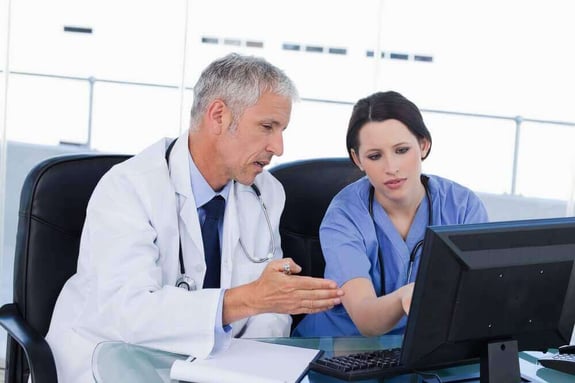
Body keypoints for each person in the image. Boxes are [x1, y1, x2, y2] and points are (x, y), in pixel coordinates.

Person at [45, 53, 344, 383]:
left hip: (219, 366)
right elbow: (129, 314)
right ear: (218, 116)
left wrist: (254, 362)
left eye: (282, 129)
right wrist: (248, 299)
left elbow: (268, 311)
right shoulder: (130, 187)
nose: (279, 146)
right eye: (267, 127)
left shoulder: (266, 193)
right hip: (113, 360)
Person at [293, 91, 488, 337]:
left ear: (423, 145)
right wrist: (404, 296)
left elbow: (475, 300)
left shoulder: (462, 207)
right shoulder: (344, 215)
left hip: (423, 349)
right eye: (375, 156)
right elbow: (366, 320)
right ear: (358, 159)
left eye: (402, 150)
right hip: (339, 349)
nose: (391, 168)